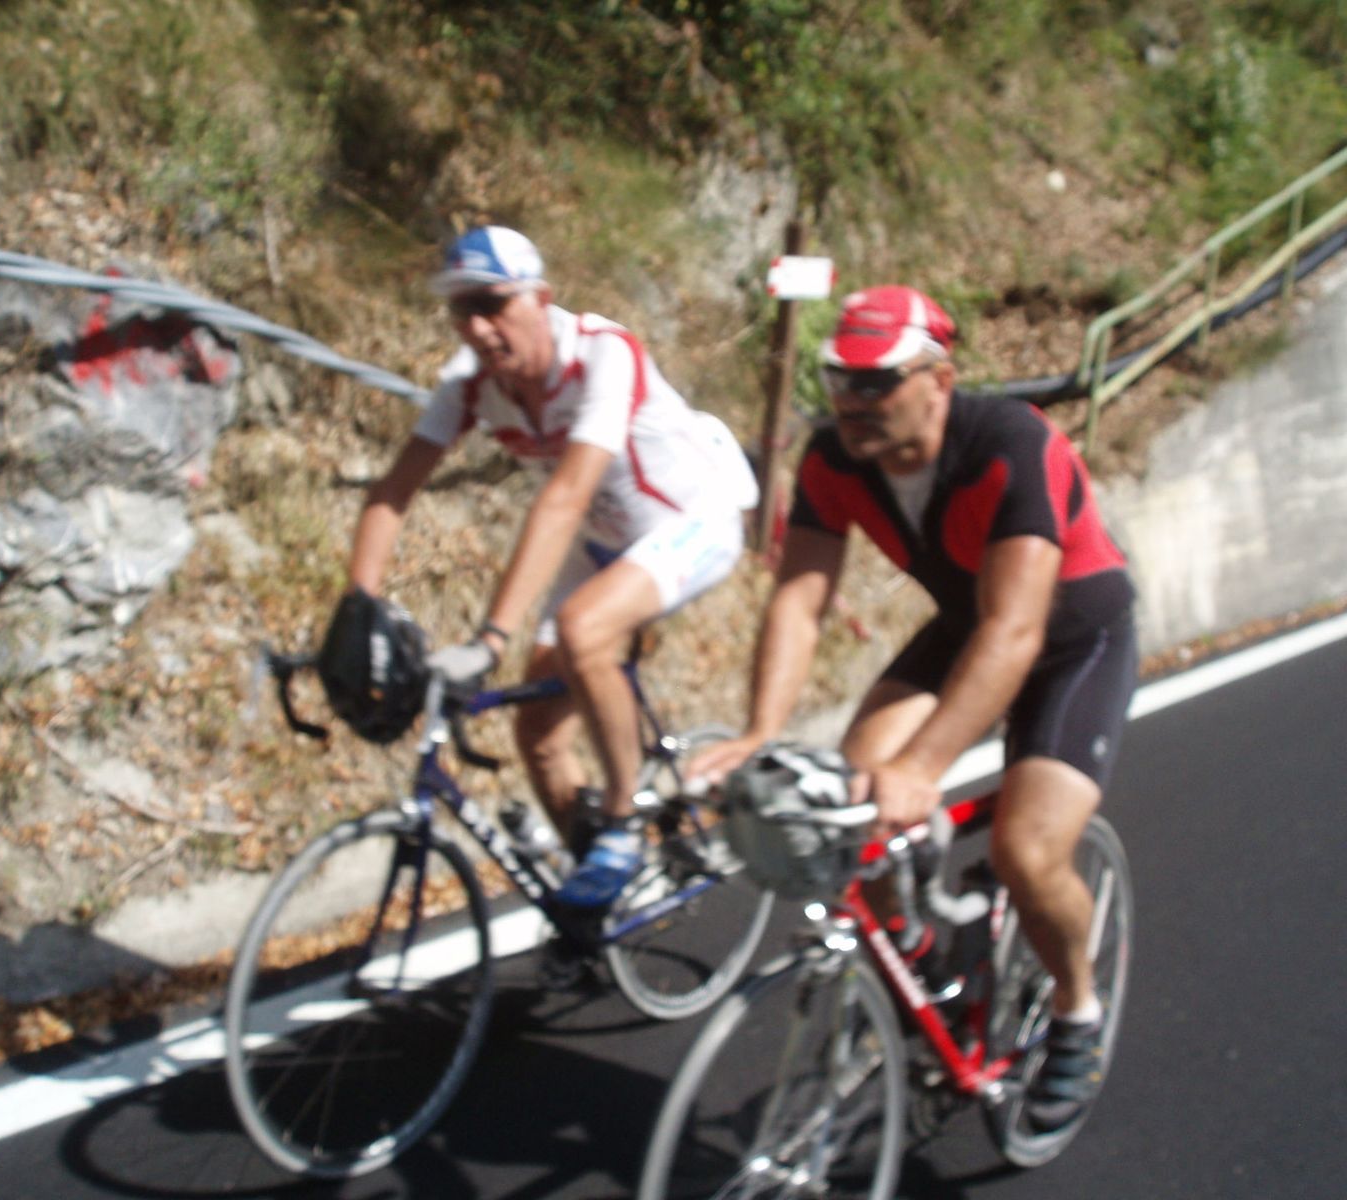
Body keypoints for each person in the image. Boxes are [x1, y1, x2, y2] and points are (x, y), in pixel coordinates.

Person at [691, 284, 1138, 1130]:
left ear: (939, 380)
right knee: (858, 796)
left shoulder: (1012, 443)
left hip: (1074, 641)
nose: (852, 402)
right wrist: (760, 731)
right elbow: (800, 600)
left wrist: (923, 766)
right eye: (838, 380)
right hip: (969, 626)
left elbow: (1016, 632)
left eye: (876, 382)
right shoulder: (833, 457)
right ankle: (923, 957)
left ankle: (1076, 1010)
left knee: (1027, 852)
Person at [347, 225, 757, 908]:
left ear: (540, 298)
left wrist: (492, 639)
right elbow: (393, 492)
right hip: (601, 546)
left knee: (582, 629)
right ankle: (595, 899)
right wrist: (356, 608)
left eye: (492, 304)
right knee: (537, 736)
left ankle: (623, 820)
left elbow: (565, 497)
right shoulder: (470, 384)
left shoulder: (603, 353)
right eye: (461, 309)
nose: (478, 327)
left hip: (692, 522)